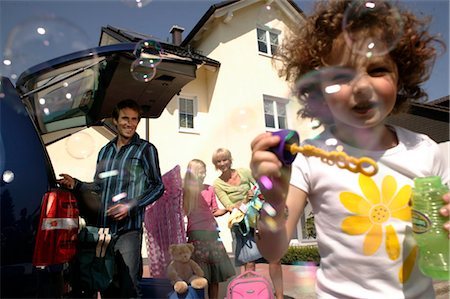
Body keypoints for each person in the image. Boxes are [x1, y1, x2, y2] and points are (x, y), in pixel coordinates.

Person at [250, 1, 449, 298]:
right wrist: (273, 201)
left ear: (401, 76)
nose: (361, 87)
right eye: (341, 76)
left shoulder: (425, 150)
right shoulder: (308, 158)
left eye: (378, 69)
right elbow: (273, 250)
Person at [58, 99, 164, 298]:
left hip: (129, 230)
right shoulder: (104, 151)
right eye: (125, 118)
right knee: (106, 283)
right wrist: (77, 184)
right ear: (115, 120)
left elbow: (158, 186)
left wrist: (130, 206)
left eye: (134, 119)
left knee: (128, 285)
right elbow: (99, 186)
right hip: (104, 229)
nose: (129, 123)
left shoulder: (145, 149)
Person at [212, 148, 285, 299]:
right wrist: (246, 200)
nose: (222, 163)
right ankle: (247, 295)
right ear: (216, 165)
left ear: (230, 160)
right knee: (249, 264)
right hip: (242, 225)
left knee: (274, 259)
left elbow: (262, 185)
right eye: (219, 161)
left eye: (225, 159)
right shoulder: (218, 184)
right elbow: (229, 207)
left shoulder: (244, 172)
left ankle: (279, 296)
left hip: (261, 220)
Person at [183, 159, 235, 299]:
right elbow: (181, 211)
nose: (203, 175)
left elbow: (214, 211)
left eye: (204, 172)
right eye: (200, 172)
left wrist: (227, 209)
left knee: (214, 275)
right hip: (196, 236)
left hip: (212, 234)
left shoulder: (210, 189)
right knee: (198, 275)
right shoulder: (185, 192)